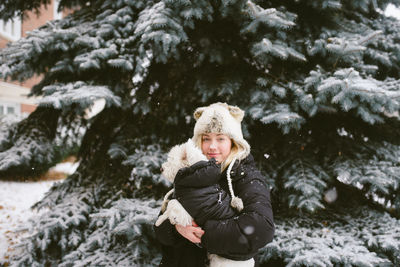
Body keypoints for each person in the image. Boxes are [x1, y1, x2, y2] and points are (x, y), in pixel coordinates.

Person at [154, 102, 275, 267]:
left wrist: (202, 234)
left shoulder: (247, 177)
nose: (212, 146)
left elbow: (261, 228)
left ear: (233, 142)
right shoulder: (191, 173)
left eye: (220, 138)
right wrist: (178, 229)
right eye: (206, 138)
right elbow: (160, 230)